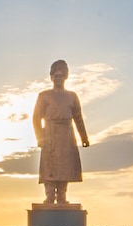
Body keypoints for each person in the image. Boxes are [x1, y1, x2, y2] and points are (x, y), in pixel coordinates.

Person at [32, 59, 89, 205]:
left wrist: (84, 137)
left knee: (65, 166)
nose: (58, 78)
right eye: (55, 75)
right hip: (50, 134)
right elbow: (36, 118)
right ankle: (50, 196)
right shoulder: (44, 96)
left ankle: (62, 196)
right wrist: (40, 137)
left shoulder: (72, 96)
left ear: (65, 77)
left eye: (61, 75)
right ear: (51, 77)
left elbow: (78, 118)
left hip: (66, 135)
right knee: (50, 166)